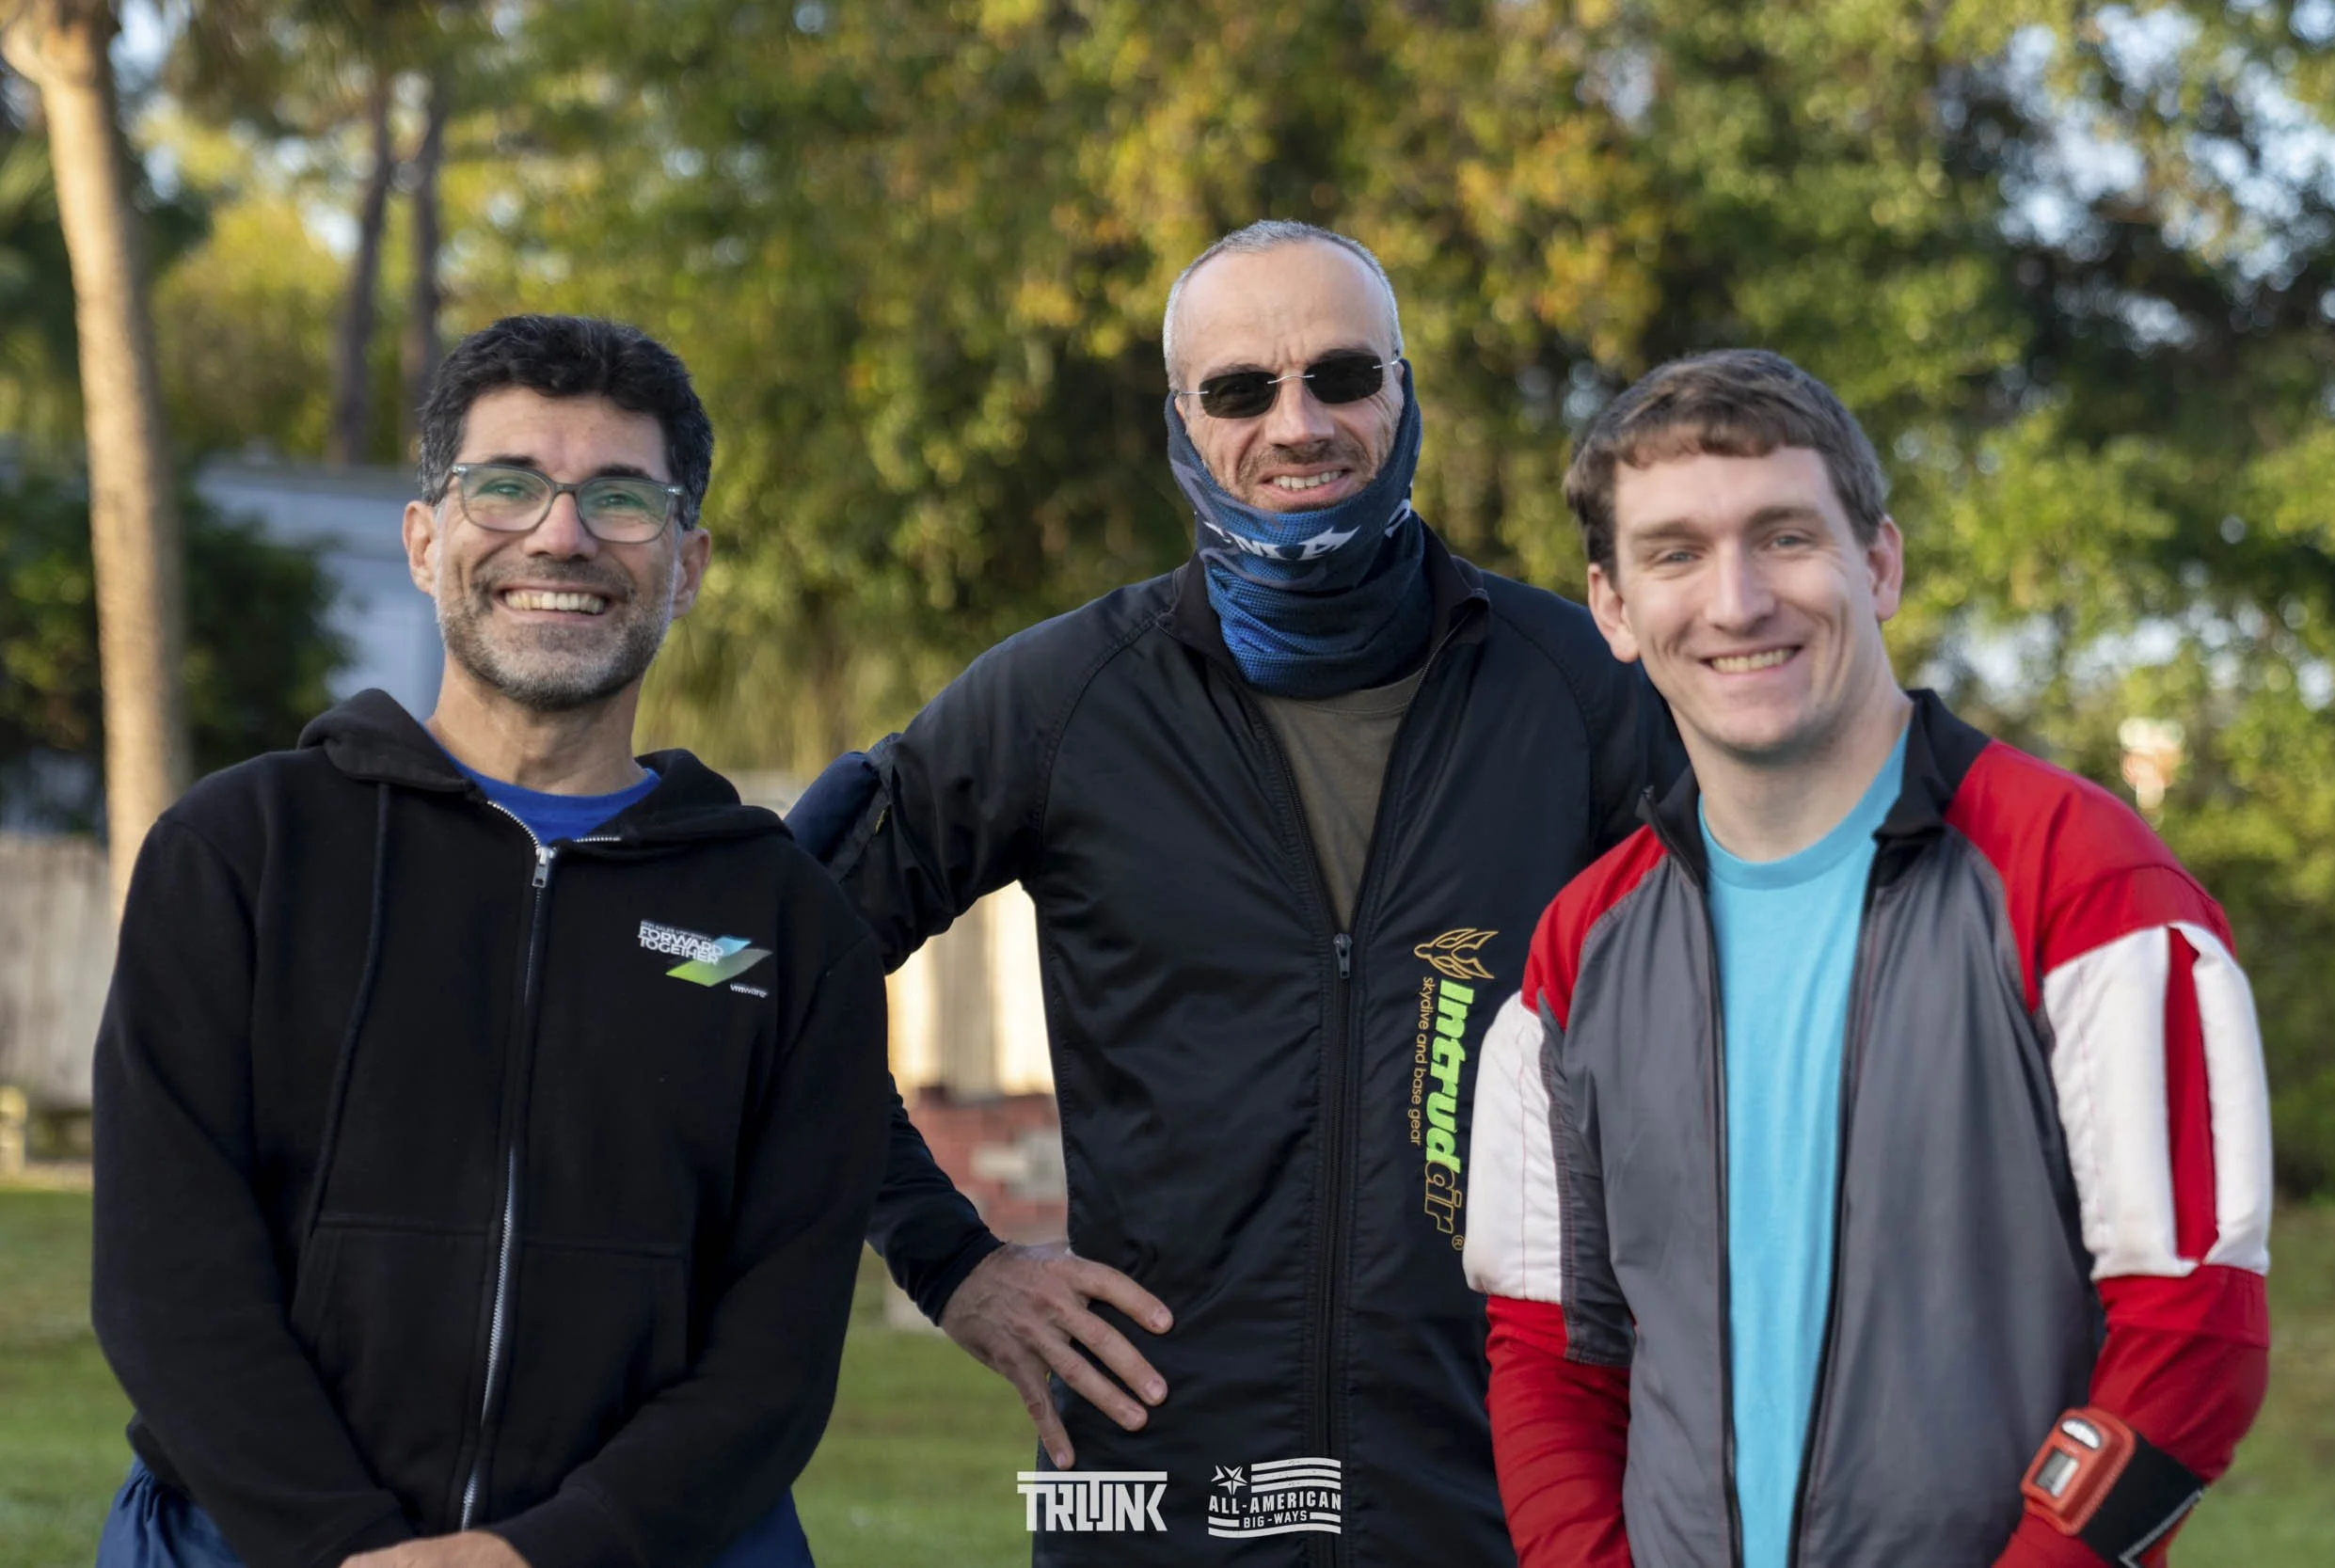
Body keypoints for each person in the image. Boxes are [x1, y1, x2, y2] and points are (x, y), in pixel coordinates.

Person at [785, 221, 1681, 1566]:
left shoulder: (1580, 689)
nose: (1299, 422)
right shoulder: (1063, 699)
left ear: (1404, 390)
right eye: (1242, 390)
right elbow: (777, 973)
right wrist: (949, 1262)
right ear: (1181, 421)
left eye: (1342, 375)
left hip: (1496, 1492)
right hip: (1149, 1498)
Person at [89, 314, 886, 1568]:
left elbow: (776, 1352)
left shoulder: (784, 926)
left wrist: (537, 1556)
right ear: (424, 539)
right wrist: (344, 1545)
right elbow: (166, 1273)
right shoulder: (242, 853)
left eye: (621, 498)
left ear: (687, 563)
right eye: (506, 485)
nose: (559, 534)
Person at [1464, 348, 2271, 1566]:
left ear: (1879, 562)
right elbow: (1550, 1356)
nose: (1737, 601)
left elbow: (2194, 1340)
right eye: (1676, 552)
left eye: (1785, 536)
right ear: (1615, 611)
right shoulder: (1572, 958)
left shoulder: (2086, 883)